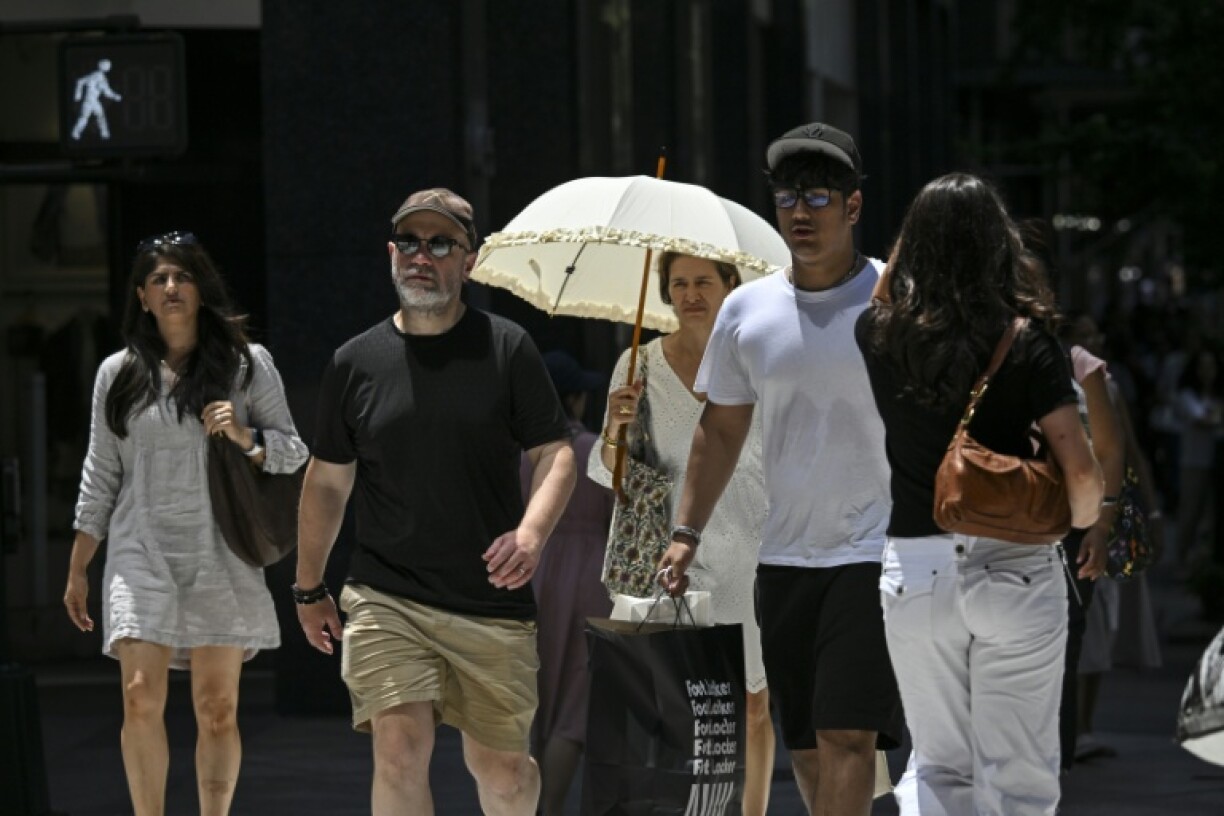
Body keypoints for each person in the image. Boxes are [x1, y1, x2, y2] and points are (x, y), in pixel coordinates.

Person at [293, 188, 576, 815]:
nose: (422, 255)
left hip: (489, 595)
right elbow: (328, 482)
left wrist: (530, 535)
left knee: (501, 771)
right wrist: (309, 587)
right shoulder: (354, 362)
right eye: (410, 242)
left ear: (469, 260)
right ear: (391, 254)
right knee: (398, 750)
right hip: (386, 593)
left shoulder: (507, 349)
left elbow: (555, 455)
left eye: (441, 242)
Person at [658, 123, 903, 816]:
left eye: (819, 196)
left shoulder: (895, 299)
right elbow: (722, 426)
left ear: (853, 207)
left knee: (849, 735)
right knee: (805, 747)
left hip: (875, 555)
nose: (800, 211)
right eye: (788, 195)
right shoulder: (748, 309)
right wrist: (686, 532)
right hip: (786, 559)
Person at [856, 173, 1104, 816]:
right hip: (1016, 566)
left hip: (916, 571)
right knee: (1016, 777)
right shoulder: (1028, 345)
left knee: (938, 768)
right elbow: (1080, 473)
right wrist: (1077, 522)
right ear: (1000, 246)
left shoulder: (880, 336)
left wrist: (915, 237)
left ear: (913, 249)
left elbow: (882, 292)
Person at [64, 230, 308, 816]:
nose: (171, 287)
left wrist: (246, 437)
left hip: (219, 548)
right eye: (159, 280)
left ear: (200, 289)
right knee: (140, 696)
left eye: (182, 276)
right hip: (139, 547)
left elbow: (294, 451)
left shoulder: (246, 365)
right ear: (142, 297)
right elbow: (100, 474)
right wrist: (78, 567)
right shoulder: (117, 374)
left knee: (217, 706)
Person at [591, 251, 774, 816]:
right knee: (677, 705)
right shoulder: (636, 365)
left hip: (754, 547)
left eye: (703, 281)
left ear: (730, 285)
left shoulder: (760, 356)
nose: (691, 293)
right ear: (665, 294)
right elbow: (609, 474)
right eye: (678, 284)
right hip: (671, 556)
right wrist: (615, 431)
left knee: (753, 705)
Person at [521, 350, 614, 816]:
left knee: (532, 703)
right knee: (574, 709)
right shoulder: (598, 450)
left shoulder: (523, 451)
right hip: (592, 575)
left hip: (534, 572)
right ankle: (551, 809)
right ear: (576, 399)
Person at [1174, 348, 1223, 566]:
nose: (1207, 372)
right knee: (1190, 513)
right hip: (1193, 461)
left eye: (1211, 367)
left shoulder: (1217, 396)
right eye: (1203, 367)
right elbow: (1202, 420)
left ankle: (1202, 562)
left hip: (1216, 462)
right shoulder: (1187, 395)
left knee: (1210, 517)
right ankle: (1182, 558)